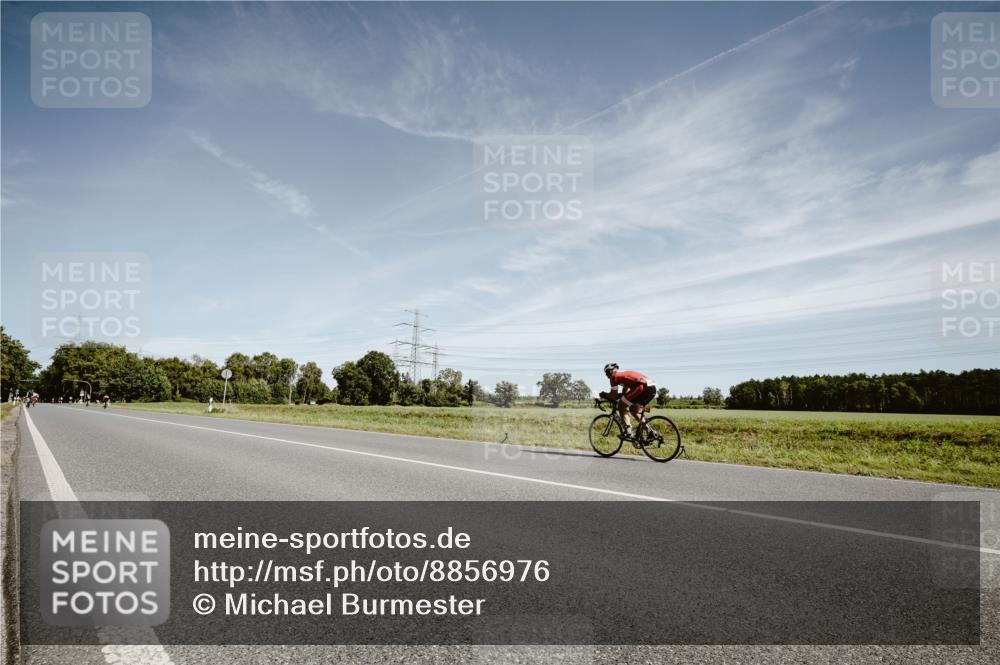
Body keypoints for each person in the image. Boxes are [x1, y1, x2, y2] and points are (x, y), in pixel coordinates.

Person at [599, 363, 657, 439]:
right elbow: (624, 393)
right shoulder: (623, 376)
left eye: (606, 372)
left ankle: (628, 431)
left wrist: (604, 395)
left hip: (641, 387)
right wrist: (615, 396)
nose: (606, 375)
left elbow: (613, 395)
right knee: (633, 410)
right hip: (651, 388)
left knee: (621, 405)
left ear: (611, 371)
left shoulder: (614, 376)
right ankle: (650, 431)